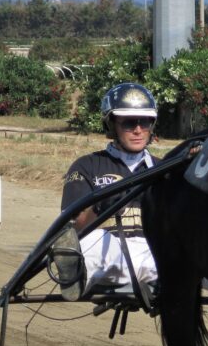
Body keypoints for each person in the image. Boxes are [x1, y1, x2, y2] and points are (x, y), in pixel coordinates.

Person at [52, 82, 160, 301]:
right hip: (110, 250)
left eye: (145, 122)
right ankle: (75, 271)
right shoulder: (87, 166)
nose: (138, 130)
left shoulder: (164, 168)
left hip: (154, 250)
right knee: (95, 240)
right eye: (129, 123)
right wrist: (103, 205)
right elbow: (77, 224)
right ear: (111, 125)